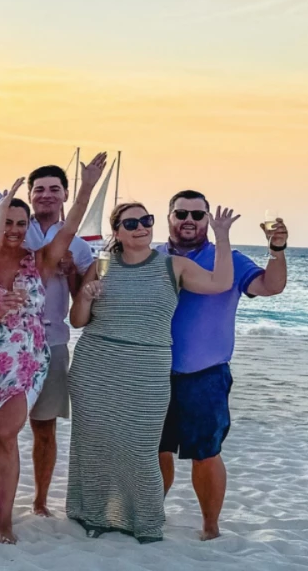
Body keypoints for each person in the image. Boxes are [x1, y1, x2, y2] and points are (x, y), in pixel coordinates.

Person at [0, 155, 105, 544]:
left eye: (19, 223)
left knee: (5, 433)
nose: (13, 230)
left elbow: (73, 223)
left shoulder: (42, 261)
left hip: (29, 360)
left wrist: (86, 186)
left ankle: (6, 521)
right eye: (5, 222)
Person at [68, 202, 237, 543]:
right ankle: (95, 515)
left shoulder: (173, 265)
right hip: (96, 363)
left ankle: (144, 521)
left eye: (146, 220)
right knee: (95, 445)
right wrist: (85, 297)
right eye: (131, 223)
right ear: (117, 232)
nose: (141, 227)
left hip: (148, 367)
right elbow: (77, 320)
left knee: (141, 448)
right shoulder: (103, 265)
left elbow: (220, 282)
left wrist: (221, 236)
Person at [157, 190, 287, 540]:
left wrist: (276, 251)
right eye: (181, 213)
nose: (189, 220)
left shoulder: (226, 256)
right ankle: (154, 513)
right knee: (157, 448)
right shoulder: (151, 256)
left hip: (205, 373)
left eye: (197, 215)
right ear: (169, 216)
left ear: (207, 220)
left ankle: (210, 527)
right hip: (152, 371)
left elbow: (270, 286)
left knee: (206, 453)